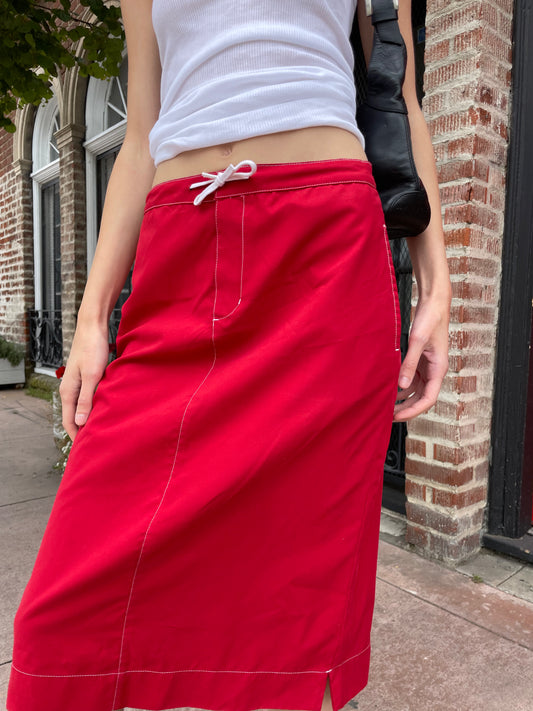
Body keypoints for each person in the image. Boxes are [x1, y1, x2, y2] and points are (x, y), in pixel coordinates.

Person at [7, 1, 451, 710]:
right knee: (61, 621)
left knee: (292, 609)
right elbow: (142, 132)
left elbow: (398, 95)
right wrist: (91, 317)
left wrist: (436, 281)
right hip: (180, 251)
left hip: (325, 258)